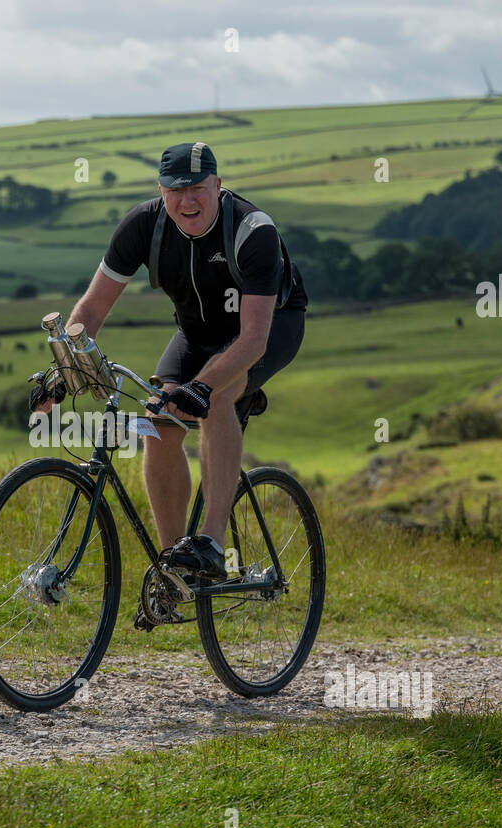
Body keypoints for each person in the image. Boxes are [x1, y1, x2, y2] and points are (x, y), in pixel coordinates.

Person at [35, 141, 307, 611]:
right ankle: (173, 568)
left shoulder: (251, 230)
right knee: (158, 422)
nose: (188, 201)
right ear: (161, 192)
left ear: (219, 187)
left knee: (217, 399)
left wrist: (202, 386)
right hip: (196, 334)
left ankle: (212, 544)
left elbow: (254, 340)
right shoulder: (143, 226)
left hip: (267, 330)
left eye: (199, 188)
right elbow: (93, 308)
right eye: (177, 190)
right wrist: (67, 370)